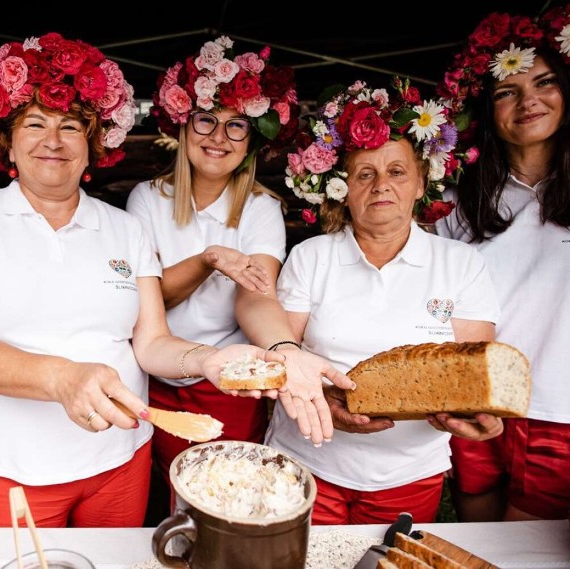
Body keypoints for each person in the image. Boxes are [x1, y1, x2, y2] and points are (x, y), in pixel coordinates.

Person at [0, 32, 278, 529]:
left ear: (94, 144)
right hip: (20, 470)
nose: (53, 141)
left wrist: (208, 359)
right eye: (35, 124)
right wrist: (63, 378)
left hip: (121, 460)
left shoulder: (124, 228)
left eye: (71, 126)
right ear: (7, 138)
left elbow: (151, 341)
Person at [242, 77, 506, 525]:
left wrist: (476, 413)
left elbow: (471, 372)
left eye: (397, 172)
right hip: (308, 460)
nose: (381, 185)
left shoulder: (462, 264)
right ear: (345, 192)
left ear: (422, 184)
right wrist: (324, 397)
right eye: (365, 174)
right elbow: (279, 350)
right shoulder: (312, 257)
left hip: (409, 471)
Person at [128, 36, 353, 491]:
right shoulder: (147, 200)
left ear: (251, 142)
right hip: (157, 369)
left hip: (231, 378)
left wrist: (284, 350)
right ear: (182, 127)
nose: (218, 137)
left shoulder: (260, 208)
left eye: (236, 126)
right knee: (162, 486)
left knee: (225, 486)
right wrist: (209, 259)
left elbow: (257, 297)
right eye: (207, 120)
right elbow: (154, 299)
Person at [434, 5, 570, 521]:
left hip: (559, 406)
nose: (528, 100)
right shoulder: (456, 200)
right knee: (478, 534)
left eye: (545, 83)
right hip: (478, 396)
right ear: (487, 110)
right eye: (506, 91)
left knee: (525, 544)